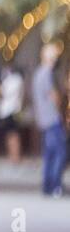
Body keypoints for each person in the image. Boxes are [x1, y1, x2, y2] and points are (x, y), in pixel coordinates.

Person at [32, 43, 65, 197]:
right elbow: (54, 96)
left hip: (44, 119)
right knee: (60, 152)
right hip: (51, 119)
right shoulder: (47, 74)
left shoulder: (38, 73)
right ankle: (54, 185)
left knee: (49, 154)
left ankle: (47, 186)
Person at [0, 65, 25, 164]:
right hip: (7, 112)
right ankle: (12, 156)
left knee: (14, 134)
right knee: (9, 135)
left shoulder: (16, 80)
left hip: (13, 111)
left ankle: (15, 156)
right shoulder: (10, 80)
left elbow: (3, 93)